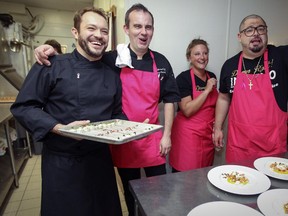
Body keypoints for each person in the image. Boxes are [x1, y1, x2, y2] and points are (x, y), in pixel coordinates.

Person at [34, 4, 180, 216]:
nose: (143, 31)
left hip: (151, 139)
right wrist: (48, 51)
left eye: (148, 27)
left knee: (158, 192)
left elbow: (170, 99)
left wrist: (166, 135)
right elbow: (85, 57)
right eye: (137, 26)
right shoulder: (111, 59)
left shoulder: (162, 62)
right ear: (126, 29)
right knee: (131, 192)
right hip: (122, 139)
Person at [11, 7, 124, 216]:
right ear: (75, 32)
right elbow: (23, 107)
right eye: (91, 28)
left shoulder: (112, 73)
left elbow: (117, 114)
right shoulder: (51, 65)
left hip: (100, 163)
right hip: (63, 166)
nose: (98, 35)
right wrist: (58, 127)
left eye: (104, 31)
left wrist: (131, 127)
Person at [213, 14, 288, 163]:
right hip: (240, 146)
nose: (255, 33)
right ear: (239, 36)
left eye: (260, 29)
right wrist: (217, 128)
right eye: (249, 30)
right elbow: (223, 97)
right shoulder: (229, 66)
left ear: (266, 33)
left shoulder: (281, 56)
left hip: (273, 146)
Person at [169, 39, 218, 172]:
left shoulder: (212, 76)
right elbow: (187, 110)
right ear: (189, 58)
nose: (202, 57)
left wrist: (217, 128)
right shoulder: (182, 79)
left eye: (205, 53)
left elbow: (215, 106)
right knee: (185, 177)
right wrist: (207, 90)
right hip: (188, 136)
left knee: (204, 175)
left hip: (207, 134)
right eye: (197, 54)